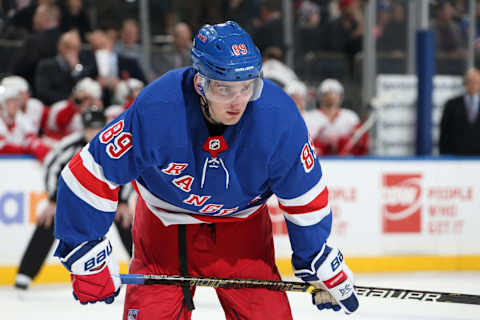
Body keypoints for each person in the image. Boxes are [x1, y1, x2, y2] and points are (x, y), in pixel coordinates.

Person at [53, 21, 359, 319]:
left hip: (243, 237)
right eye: (224, 89)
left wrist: (315, 258)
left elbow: (303, 193)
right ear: (201, 82)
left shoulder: (279, 119)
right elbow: (90, 172)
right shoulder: (158, 108)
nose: (238, 101)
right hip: (163, 232)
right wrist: (84, 249)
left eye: (247, 87)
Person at [14, 107, 133, 291]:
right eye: (89, 128)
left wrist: (124, 202)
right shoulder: (69, 145)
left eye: (97, 128)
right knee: (49, 219)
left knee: (127, 221)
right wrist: (54, 201)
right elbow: (52, 168)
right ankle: (25, 274)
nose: (92, 133)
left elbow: (127, 171)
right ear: (82, 128)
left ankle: (144, 269)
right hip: (74, 200)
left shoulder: (113, 145)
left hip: (105, 200)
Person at [303, 78, 369, 155]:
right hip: (318, 160)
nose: (332, 96)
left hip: (345, 162)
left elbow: (362, 144)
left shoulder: (350, 117)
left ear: (340, 96)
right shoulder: (309, 117)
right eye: (328, 93)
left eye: (335, 93)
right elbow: (304, 143)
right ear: (321, 96)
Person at [35, 30, 97, 105]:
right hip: (56, 106)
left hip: (79, 107)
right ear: (60, 46)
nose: (73, 52)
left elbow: (86, 84)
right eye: (69, 47)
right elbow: (43, 92)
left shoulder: (81, 65)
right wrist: (69, 99)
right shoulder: (46, 65)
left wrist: (75, 69)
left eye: (76, 48)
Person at [439, 68, 480, 155]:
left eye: (477, 82)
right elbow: (444, 133)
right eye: (471, 81)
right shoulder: (451, 105)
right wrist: (444, 155)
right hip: (457, 157)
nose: (474, 85)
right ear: (465, 84)